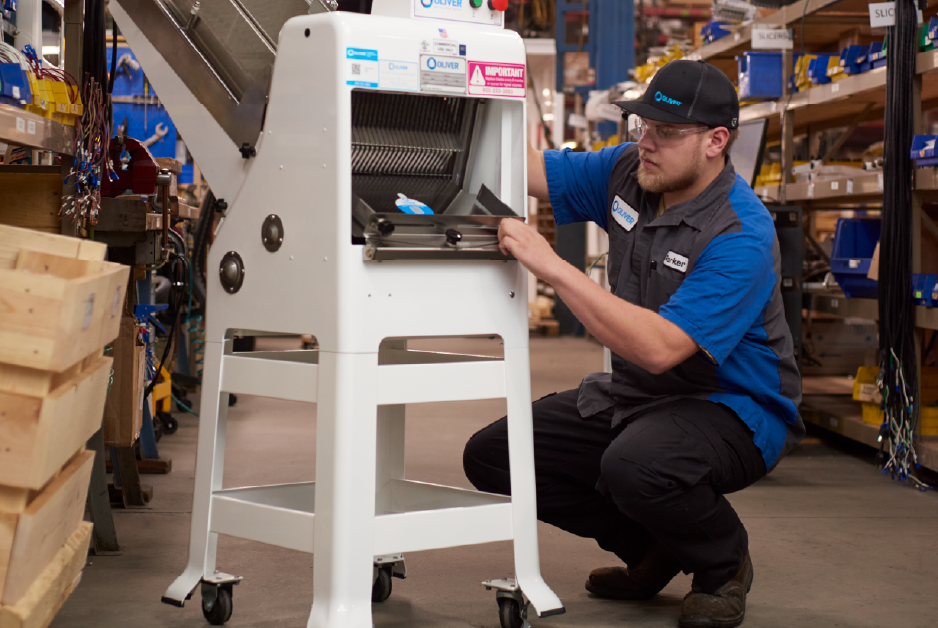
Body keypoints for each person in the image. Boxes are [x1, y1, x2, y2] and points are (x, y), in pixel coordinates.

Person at [462, 59, 805, 628]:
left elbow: (660, 349)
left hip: (734, 409)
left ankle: (722, 564)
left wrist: (551, 265)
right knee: (496, 456)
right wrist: (478, 82)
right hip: (638, 395)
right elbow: (521, 169)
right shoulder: (629, 171)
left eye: (666, 133)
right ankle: (653, 548)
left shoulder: (739, 233)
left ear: (716, 142)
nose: (647, 143)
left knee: (636, 465)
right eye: (642, 125)